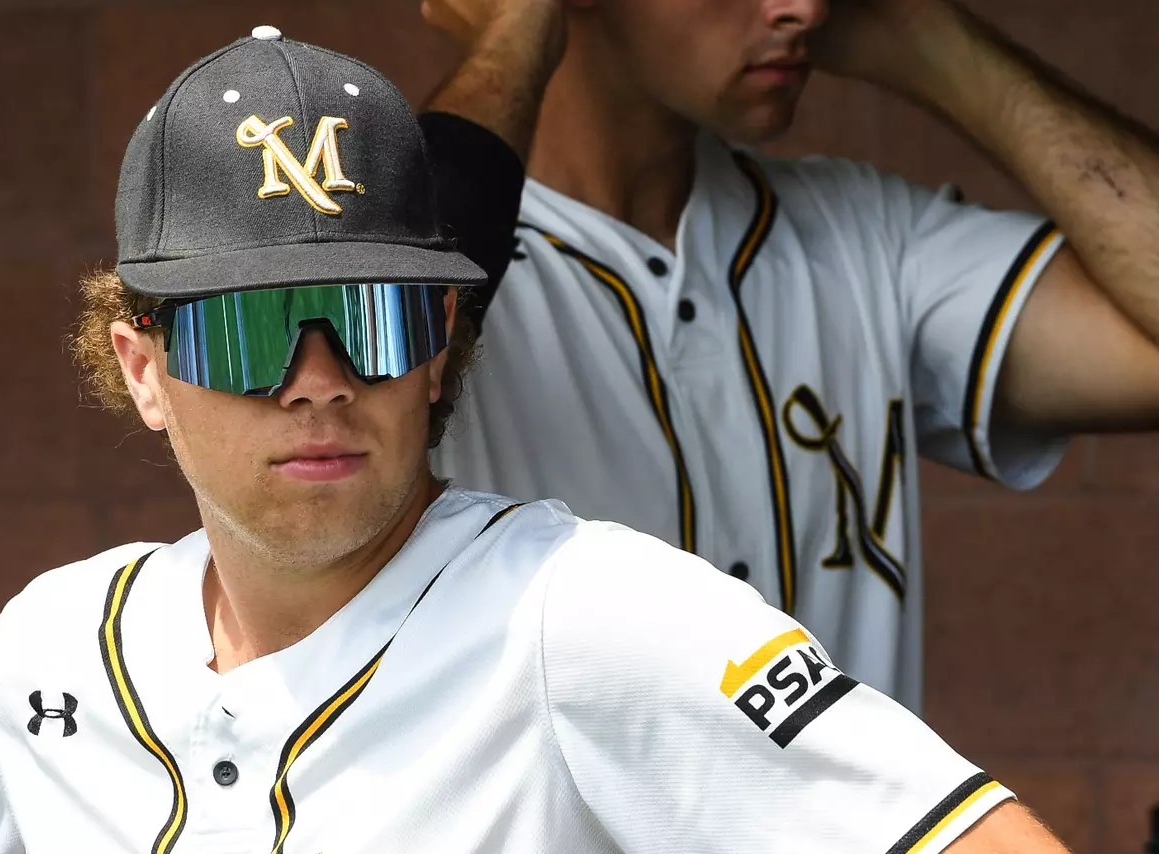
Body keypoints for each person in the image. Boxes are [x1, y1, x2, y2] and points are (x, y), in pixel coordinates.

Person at [0, 27, 1123, 854]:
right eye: (244, 327)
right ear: (142, 369)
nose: (317, 381)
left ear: (444, 339)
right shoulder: (57, 647)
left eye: (371, 314)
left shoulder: (593, 613)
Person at [421, 0, 1159, 715]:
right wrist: (515, 33)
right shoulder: (440, 275)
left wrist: (932, 39)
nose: (807, 8)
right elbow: (374, 340)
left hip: (867, 847)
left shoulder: (868, 237)